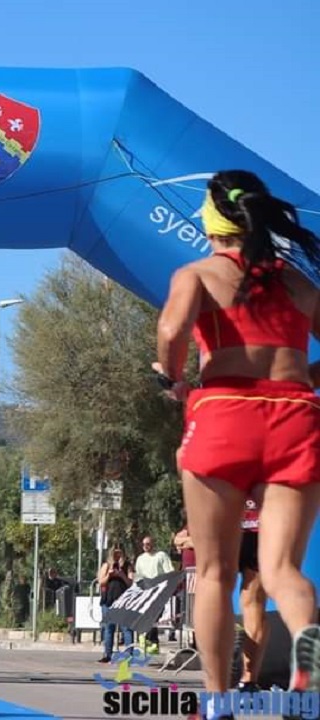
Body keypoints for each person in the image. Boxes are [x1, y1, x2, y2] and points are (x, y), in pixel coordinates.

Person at [154, 170, 320, 711]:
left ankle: (219, 700)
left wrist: (173, 378)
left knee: (215, 572)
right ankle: (308, 675)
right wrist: (303, 380)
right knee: (281, 571)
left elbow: (172, 332)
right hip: (295, 416)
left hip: (225, 411)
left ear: (211, 219)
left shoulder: (198, 274)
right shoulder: (298, 284)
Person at [237, 498, 268, 692]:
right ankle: (248, 678)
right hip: (261, 527)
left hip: (230, 524)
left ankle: (217, 687)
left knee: (213, 588)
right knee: (254, 606)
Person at [134, 536, 174, 654]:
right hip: (145, 592)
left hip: (158, 592)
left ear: (153, 544)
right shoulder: (140, 559)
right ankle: (151, 642)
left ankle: (150, 641)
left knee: (153, 617)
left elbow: (170, 572)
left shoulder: (161, 556)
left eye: (148, 544)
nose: (146, 546)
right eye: (144, 544)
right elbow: (138, 576)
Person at [97, 545, 135, 663]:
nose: (117, 556)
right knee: (109, 628)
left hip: (123, 601)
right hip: (109, 600)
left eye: (119, 553)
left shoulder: (127, 566)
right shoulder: (106, 565)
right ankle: (107, 654)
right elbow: (100, 581)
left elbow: (130, 582)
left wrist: (121, 575)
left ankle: (129, 655)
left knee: (126, 629)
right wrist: (109, 575)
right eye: (115, 553)